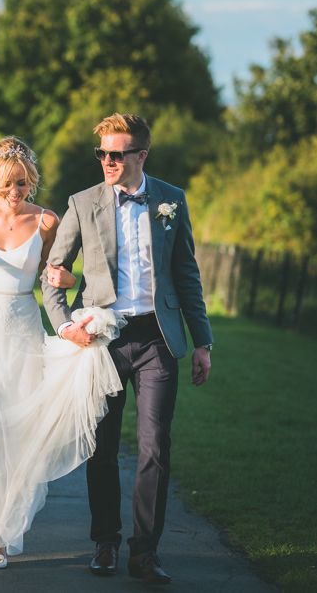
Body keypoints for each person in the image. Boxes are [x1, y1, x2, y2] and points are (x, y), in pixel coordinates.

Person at [0, 136, 124, 569]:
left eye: (21, 184)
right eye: (6, 185)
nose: (14, 193)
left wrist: (68, 285)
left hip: (20, 329)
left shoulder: (48, 221)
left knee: (12, 433)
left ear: (31, 181)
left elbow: (59, 279)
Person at [42, 113, 213, 585]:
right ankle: (105, 543)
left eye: (117, 154)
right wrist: (63, 327)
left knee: (155, 446)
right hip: (103, 342)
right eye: (102, 154)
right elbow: (53, 275)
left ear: (141, 155)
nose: (108, 162)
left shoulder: (171, 201)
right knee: (102, 447)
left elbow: (187, 274)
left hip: (158, 338)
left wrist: (203, 342)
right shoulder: (82, 202)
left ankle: (145, 551)